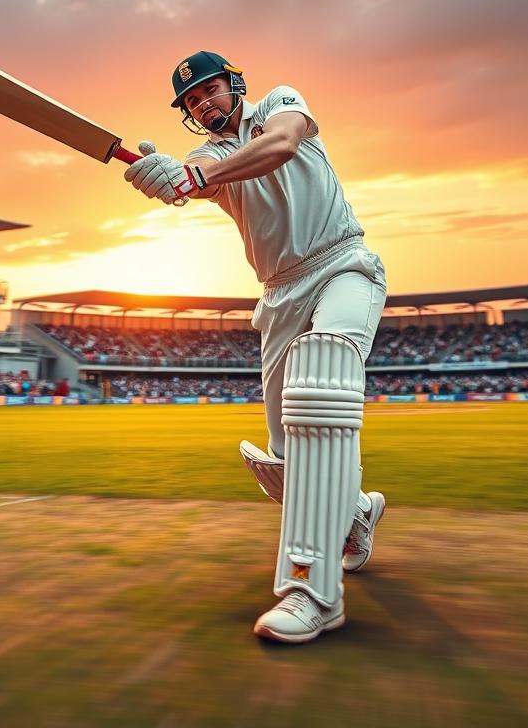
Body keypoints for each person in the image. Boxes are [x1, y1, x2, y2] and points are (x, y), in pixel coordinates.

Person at [124, 51, 388, 644]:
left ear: (234, 85)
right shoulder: (211, 157)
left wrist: (194, 176)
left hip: (343, 265)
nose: (203, 104)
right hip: (278, 295)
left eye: (209, 91)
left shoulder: (278, 104)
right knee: (286, 466)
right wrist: (168, 176)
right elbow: (193, 175)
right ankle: (355, 515)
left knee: (321, 386)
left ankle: (311, 591)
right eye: (191, 103)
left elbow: (282, 144)